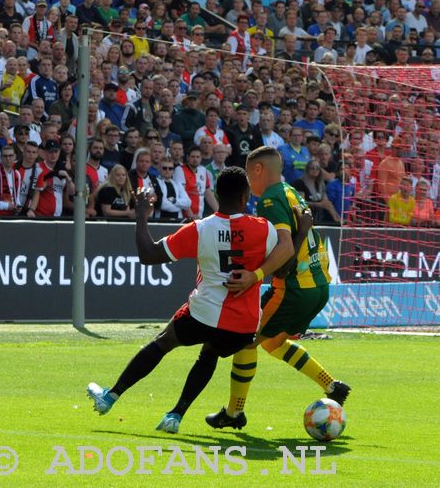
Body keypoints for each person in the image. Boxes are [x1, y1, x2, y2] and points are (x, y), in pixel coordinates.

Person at [88, 166, 293, 433]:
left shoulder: (200, 229)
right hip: (243, 327)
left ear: (217, 194)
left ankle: (110, 396)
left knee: (164, 342)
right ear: (245, 197)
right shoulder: (264, 229)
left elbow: (148, 255)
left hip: (204, 313)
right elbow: (282, 269)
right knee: (209, 354)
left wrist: (141, 215)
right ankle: (175, 415)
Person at [205, 146, 350, 431]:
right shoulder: (290, 191)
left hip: (294, 288)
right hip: (317, 286)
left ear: (258, 170)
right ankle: (332, 386)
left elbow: (285, 249)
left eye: (248, 173)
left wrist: (255, 274)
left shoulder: (270, 199)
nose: (247, 181)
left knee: (245, 339)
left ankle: (234, 414)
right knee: (271, 342)